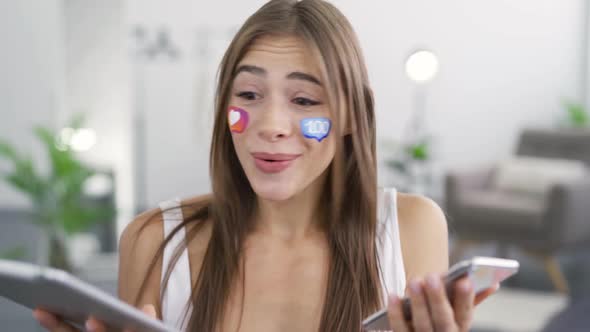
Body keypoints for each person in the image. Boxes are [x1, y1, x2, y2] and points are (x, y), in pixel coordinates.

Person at [33, 0, 498, 331]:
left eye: (303, 99)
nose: (271, 125)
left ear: (353, 115)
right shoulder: (155, 241)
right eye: (249, 95)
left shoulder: (410, 230)